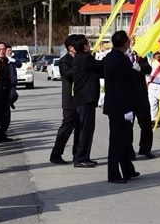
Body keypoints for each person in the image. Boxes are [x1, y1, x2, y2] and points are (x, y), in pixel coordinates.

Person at [103, 31, 140, 184]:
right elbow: (122, 87)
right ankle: (113, 173)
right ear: (125, 43)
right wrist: (127, 109)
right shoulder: (120, 61)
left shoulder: (110, 57)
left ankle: (127, 169)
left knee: (124, 139)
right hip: (120, 106)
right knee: (117, 140)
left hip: (114, 104)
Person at [72, 35, 104, 168]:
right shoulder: (85, 59)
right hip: (86, 99)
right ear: (85, 47)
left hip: (82, 99)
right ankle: (81, 157)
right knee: (86, 129)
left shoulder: (79, 58)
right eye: (87, 44)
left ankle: (81, 155)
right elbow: (101, 65)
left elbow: (99, 71)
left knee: (83, 129)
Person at [50, 35, 80, 165]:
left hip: (81, 99)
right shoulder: (64, 61)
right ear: (71, 48)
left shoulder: (82, 59)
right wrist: (80, 67)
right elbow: (68, 75)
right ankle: (56, 154)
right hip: (69, 100)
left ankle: (78, 155)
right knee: (66, 128)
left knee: (81, 128)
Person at [128, 36, 155, 159]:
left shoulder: (141, 56)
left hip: (141, 95)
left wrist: (141, 68)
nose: (132, 44)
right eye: (130, 42)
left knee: (146, 123)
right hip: (128, 95)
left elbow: (148, 69)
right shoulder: (122, 57)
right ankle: (128, 151)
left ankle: (145, 149)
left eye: (134, 42)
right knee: (128, 125)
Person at [148, 51, 160, 127]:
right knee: (152, 104)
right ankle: (154, 119)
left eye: (159, 54)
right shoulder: (151, 62)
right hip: (153, 85)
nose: (158, 55)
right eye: (156, 54)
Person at [5, 45, 20, 111]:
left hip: (13, 80)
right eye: (8, 50)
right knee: (6, 95)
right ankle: (8, 103)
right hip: (5, 80)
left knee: (14, 95)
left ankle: (9, 102)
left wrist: (14, 60)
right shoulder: (4, 58)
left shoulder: (14, 58)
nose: (9, 52)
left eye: (10, 50)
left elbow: (19, 65)